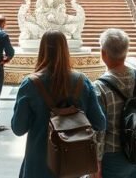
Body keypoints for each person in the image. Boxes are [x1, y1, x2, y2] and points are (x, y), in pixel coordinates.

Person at [12, 30, 105, 178]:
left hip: (38, 166)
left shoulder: (30, 84)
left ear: (42, 49)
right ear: (66, 50)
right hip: (72, 165)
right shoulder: (83, 81)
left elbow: (18, 128)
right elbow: (100, 123)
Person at [95, 28, 136, 177]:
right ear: (126, 51)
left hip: (114, 156)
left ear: (103, 53)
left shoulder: (99, 87)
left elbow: (99, 131)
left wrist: (95, 164)